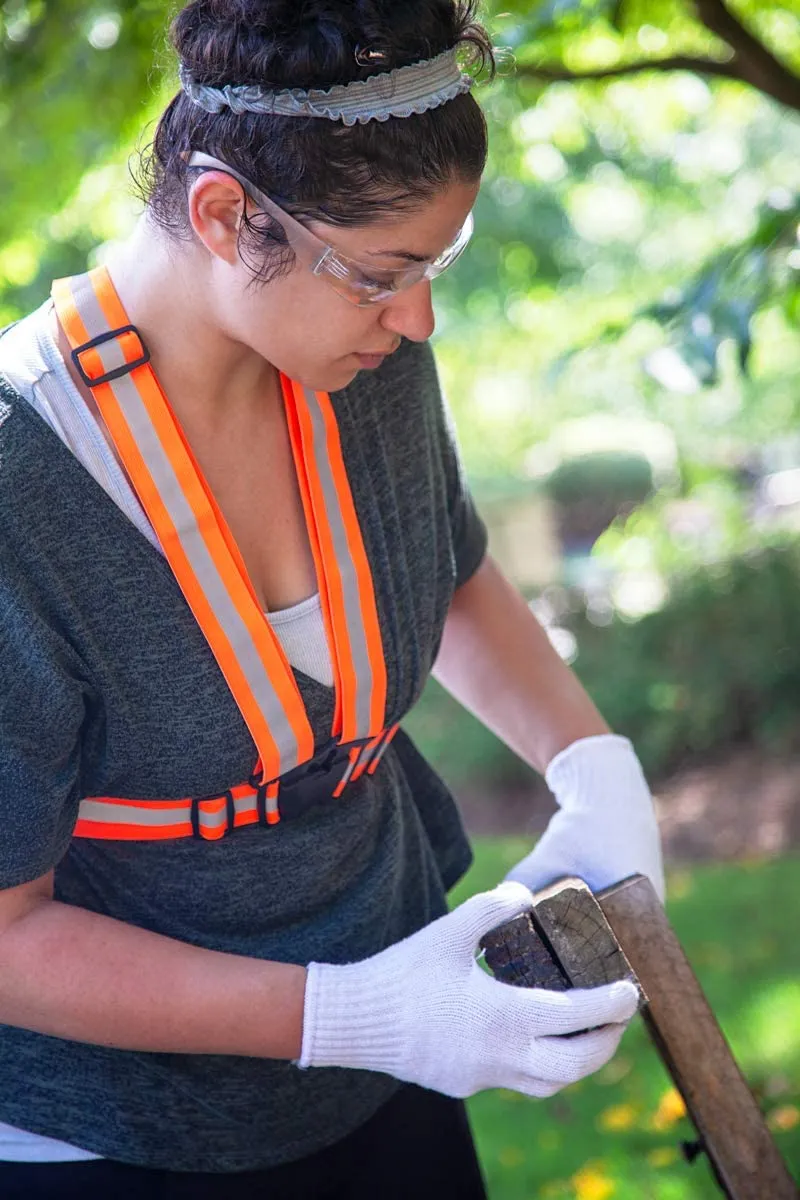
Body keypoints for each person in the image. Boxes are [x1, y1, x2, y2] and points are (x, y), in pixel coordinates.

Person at [0, 1, 664, 1196]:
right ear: (223, 216)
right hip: (116, 1137)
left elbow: (445, 575)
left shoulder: (358, 356)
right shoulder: (17, 492)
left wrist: (590, 766)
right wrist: (352, 1016)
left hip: (393, 1058)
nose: (416, 320)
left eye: (434, 266)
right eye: (381, 275)